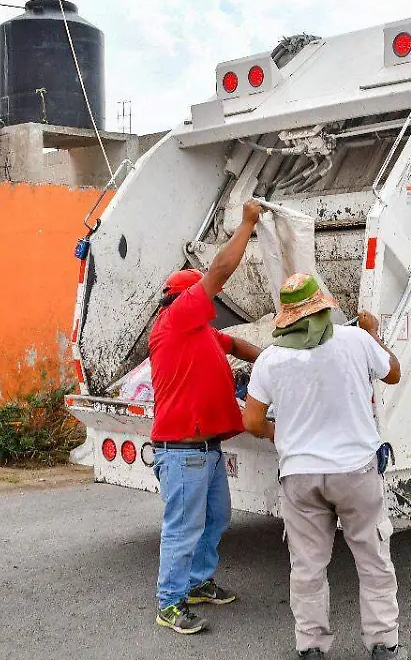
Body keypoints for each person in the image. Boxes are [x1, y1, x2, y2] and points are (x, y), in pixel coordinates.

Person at [242, 273, 407, 660]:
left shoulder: (270, 358)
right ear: (322, 308)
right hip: (356, 472)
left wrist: (280, 435)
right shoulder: (355, 340)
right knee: (373, 559)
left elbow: (251, 421)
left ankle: (312, 647)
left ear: (286, 316)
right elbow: (394, 372)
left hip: (300, 477)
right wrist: (373, 332)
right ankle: (382, 644)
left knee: (308, 567)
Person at [149, 199, 264, 635]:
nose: (208, 304)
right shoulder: (175, 320)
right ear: (183, 299)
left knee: (216, 518)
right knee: (183, 526)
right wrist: (247, 225)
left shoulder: (200, 334)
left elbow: (234, 345)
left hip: (206, 449)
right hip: (183, 452)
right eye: (198, 295)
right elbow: (218, 273)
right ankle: (170, 602)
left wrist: (271, 359)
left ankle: (196, 583)